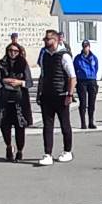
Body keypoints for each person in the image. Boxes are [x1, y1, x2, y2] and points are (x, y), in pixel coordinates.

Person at [34, 30, 76, 165]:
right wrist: (39, 93)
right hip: (47, 95)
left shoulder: (64, 56)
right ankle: (47, 154)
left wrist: (69, 94)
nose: (46, 42)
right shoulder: (44, 56)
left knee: (65, 124)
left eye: (48, 39)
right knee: (47, 125)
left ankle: (67, 151)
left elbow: (72, 77)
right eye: (45, 39)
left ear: (56, 40)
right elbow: (42, 76)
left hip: (61, 95)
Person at [0, 42, 33, 162]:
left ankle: (20, 150)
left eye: (15, 51)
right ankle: (8, 146)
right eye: (11, 50)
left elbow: (29, 82)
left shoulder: (23, 63)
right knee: (4, 126)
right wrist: (4, 81)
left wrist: (19, 82)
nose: (13, 53)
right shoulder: (1, 64)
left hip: (20, 99)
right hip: (5, 99)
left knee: (20, 126)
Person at [74, 39, 101, 129]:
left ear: (89, 47)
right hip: (82, 81)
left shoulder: (94, 57)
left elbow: (96, 68)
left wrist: (92, 75)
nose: (85, 48)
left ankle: (91, 122)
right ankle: (83, 122)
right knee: (83, 102)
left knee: (92, 103)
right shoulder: (78, 58)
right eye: (84, 46)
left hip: (92, 80)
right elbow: (75, 68)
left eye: (87, 46)